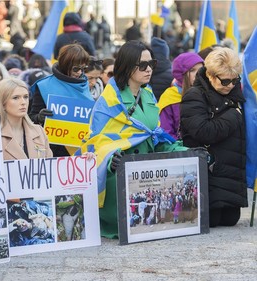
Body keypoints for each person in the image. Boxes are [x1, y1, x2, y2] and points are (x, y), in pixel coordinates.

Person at [78, 40, 187, 238]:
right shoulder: (109, 101)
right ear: (127, 67)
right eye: (142, 65)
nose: (149, 70)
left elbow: (156, 134)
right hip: (118, 174)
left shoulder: (148, 94)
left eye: (151, 64)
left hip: (148, 172)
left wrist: (186, 152)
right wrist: (112, 160)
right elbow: (96, 141)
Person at [180, 47, 247, 227]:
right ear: (210, 75)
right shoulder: (194, 96)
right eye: (225, 81)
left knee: (230, 221)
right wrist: (235, 115)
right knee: (213, 222)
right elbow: (204, 132)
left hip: (231, 176)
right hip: (207, 176)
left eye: (235, 80)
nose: (231, 85)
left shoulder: (236, 94)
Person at [29, 43, 92, 157]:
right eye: (76, 69)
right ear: (65, 65)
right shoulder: (44, 86)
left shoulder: (85, 84)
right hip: (52, 152)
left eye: (83, 69)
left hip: (81, 152)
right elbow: (30, 118)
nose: (79, 73)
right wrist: (39, 117)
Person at [0, 77, 53, 160]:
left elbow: (48, 167)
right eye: (16, 98)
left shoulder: (39, 132)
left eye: (25, 97)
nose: (23, 102)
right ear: (3, 103)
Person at [157, 52, 204, 140]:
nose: (198, 74)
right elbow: (165, 133)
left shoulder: (208, 93)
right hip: (181, 150)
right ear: (182, 74)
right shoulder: (169, 97)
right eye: (192, 70)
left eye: (201, 69)